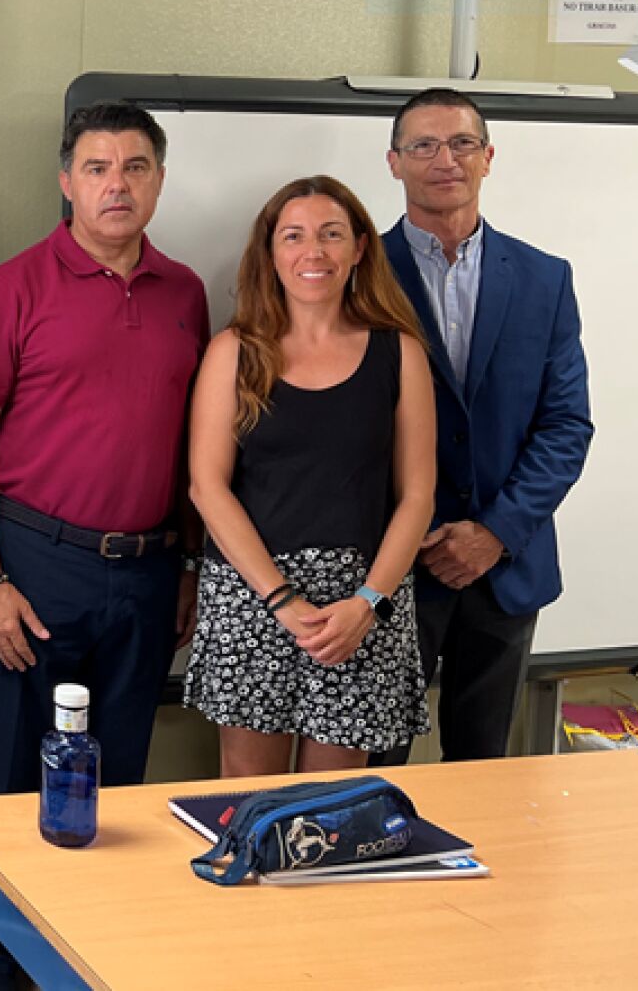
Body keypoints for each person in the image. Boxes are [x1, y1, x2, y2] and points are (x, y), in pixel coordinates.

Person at [0, 99, 204, 991]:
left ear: (159, 181)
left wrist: (188, 567)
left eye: (135, 167)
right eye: (97, 168)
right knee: (14, 782)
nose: (116, 185)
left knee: (119, 786)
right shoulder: (14, 287)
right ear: (66, 181)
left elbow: (193, 445)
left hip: (149, 573)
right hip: (33, 567)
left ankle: (96, 962)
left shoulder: (186, 294)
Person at [367, 89, 593, 766]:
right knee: (372, 770)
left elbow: (566, 425)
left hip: (504, 568)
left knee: (484, 770)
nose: (446, 160)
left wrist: (494, 533)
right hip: (389, 569)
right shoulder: (355, 275)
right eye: (424, 145)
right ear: (394, 162)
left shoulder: (544, 279)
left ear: (488, 157)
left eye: (462, 143)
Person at [183, 175, 437, 777]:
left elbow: (417, 495)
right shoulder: (234, 351)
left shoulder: (399, 353)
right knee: (251, 801)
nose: (313, 251)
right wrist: (281, 599)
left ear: (359, 248)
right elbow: (207, 487)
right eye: (293, 236)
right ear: (271, 254)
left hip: (360, 606)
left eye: (331, 234)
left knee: (331, 805)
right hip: (253, 597)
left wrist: (368, 603)